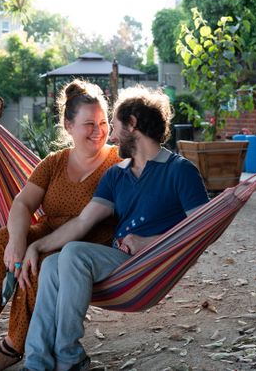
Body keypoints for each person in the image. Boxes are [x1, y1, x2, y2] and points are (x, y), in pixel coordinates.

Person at [20, 86, 209, 371]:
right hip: (120, 264)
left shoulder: (180, 171)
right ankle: (37, 362)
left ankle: (69, 356)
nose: (111, 136)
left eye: (115, 126)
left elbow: (202, 230)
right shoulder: (116, 175)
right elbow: (83, 222)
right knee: (52, 264)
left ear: (132, 124)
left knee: (73, 254)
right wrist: (37, 245)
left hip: (151, 264)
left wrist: (147, 243)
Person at [0, 79, 122, 371]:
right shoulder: (54, 162)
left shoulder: (117, 163)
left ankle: (13, 345)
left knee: (41, 262)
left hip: (84, 245)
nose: (98, 131)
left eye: (102, 122)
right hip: (47, 230)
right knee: (1, 241)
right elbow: (21, 204)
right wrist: (18, 241)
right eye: (89, 124)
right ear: (68, 126)